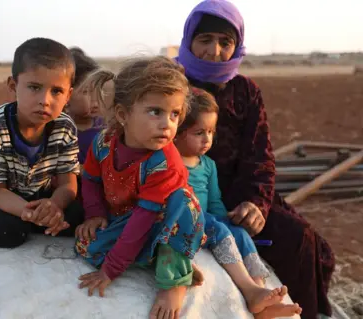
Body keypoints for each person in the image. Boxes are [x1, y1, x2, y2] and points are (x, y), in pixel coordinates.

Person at [74, 56, 290, 319]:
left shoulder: (164, 162)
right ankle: (163, 261)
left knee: (184, 202)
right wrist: (95, 214)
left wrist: (111, 270)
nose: (168, 124)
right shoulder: (104, 143)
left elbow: (144, 219)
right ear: (122, 114)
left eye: (175, 114)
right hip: (129, 219)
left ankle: (177, 281)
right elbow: (91, 179)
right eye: (156, 111)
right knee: (88, 247)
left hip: (171, 223)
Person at [176, 1, 335, 318]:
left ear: (237, 46)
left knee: (299, 241)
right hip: (180, 191)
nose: (214, 50)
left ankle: (303, 312)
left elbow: (260, 156)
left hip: (237, 199)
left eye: (225, 42)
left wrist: (255, 204)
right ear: (189, 40)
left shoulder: (245, 90)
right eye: (205, 39)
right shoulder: (171, 85)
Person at [175, 92, 302, 319]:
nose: (207, 139)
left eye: (211, 132)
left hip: (209, 219)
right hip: (186, 218)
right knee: (218, 227)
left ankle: (261, 291)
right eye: (199, 132)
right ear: (177, 133)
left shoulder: (208, 165)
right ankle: (249, 290)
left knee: (240, 234)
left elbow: (214, 201)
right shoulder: (171, 162)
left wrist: (228, 219)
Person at [0, 37, 84, 248]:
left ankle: (39, 220)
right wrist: (30, 213)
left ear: (68, 96)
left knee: (77, 216)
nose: (45, 100)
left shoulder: (65, 127)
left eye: (56, 91)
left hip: (38, 192)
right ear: (13, 85)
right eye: (34, 87)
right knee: (9, 232)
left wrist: (53, 206)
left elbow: (67, 183)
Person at [65, 47, 105, 165]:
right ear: (67, 95)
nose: (95, 98)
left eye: (98, 90)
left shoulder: (106, 130)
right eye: (86, 91)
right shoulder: (58, 130)